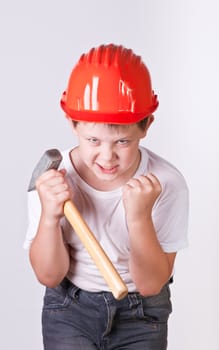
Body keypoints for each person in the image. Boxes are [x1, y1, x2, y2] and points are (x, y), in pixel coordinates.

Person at [24, 43, 189, 350]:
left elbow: (151, 284)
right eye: (93, 140)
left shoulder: (166, 183)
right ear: (72, 124)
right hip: (69, 309)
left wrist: (139, 218)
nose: (107, 155)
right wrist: (50, 216)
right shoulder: (54, 178)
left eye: (123, 141)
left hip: (142, 314)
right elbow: (49, 275)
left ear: (146, 126)